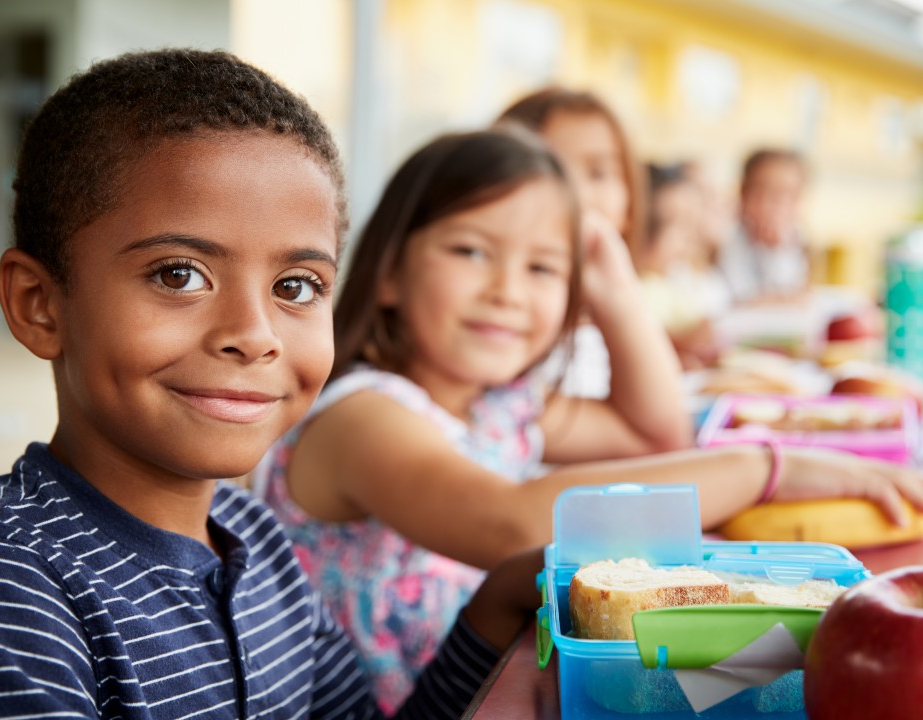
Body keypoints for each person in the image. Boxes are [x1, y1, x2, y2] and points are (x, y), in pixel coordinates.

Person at [0, 49, 545, 720]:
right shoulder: (4, 588)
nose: (255, 334)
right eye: (179, 274)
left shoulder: (256, 540)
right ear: (39, 304)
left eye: (296, 287)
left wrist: (497, 605)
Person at [258, 126, 923, 710]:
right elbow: (512, 522)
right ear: (389, 272)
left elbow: (654, 430)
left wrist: (612, 284)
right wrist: (770, 467)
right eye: (470, 251)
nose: (508, 290)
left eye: (544, 267)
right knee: (742, 675)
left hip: (512, 673)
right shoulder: (361, 416)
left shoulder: (501, 407)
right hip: (433, 701)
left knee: (770, 661)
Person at [497, 86, 684, 403]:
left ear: (630, 204)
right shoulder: (504, 315)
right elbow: (661, 434)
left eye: (599, 173)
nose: (578, 195)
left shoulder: (607, 319)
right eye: (551, 167)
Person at [637, 162, 730, 369]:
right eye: (675, 224)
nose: (688, 237)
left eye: (688, 224)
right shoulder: (636, 290)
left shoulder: (669, 284)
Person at [718, 148, 810, 303]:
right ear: (742, 193)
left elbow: (795, 291)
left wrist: (777, 251)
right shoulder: (728, 235)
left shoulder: (796, 238)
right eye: (762, 193)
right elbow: (740, 296)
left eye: (786, 195)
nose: (773, 205)